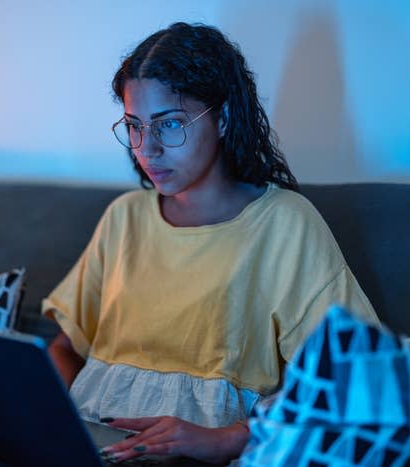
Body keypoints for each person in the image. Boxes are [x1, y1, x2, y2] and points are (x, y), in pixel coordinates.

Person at [43, 21, 378, 465]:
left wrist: (225, 439)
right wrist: (44, 415)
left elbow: (351, 378)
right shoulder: (124, 216)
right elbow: (66, 348)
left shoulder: (283, 224)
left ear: (222, 118)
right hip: (83, 446)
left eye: (170, 124)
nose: (148, 149)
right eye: (134, 126)